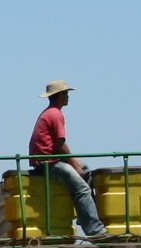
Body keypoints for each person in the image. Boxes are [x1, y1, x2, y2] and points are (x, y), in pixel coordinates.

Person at [29, 80, 109, 239]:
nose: (68, 97)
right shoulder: (55, 114)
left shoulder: (49, 112)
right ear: (58, 96)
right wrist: (73, 163)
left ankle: (84, 215)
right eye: (66, 94)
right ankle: (96, 231)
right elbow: (60, 143)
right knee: (83, 189)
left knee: (86, 170)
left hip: (48, 159)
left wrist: (77, 165)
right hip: (48, 163)